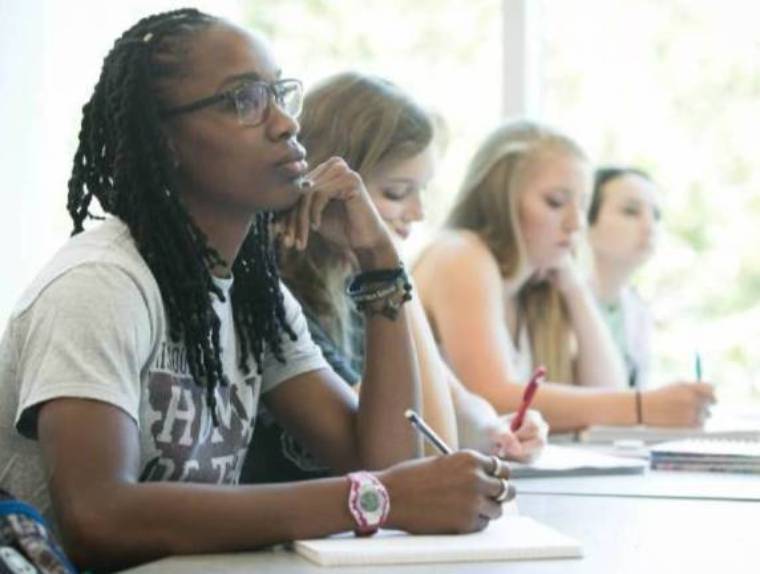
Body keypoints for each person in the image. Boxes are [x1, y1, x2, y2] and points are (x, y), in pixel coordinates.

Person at [0, 10, 512, 572]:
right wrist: (372, 498)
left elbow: (385, 459)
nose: (286, 124)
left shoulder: (252, 294)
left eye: (278, 94)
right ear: (164, 140)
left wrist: (380, 263)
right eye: (243, 99)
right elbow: (98, 518)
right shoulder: (101, 286)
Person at [243, 73, 547, 484]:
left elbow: (456, 403)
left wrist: (496, 431)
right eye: (397, 192)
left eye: (422, 191)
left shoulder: (352, 276)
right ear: (329, 187)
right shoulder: (281, 293)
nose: (418, 213)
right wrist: (388, 266)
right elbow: (424, 446)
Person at [413, 120, 715, 433]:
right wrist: (643, 406)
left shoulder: (534, 288)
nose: (575, 224)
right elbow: (493, 397)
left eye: (583, 206)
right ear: (499, 201)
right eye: (555, 202)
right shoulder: (461, 255)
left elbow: (608, 389)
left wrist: (575, 292)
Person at [588, 167, 661, 389]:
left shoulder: (638, 310)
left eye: (656, 215)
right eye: (630, 211)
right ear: (584, 221)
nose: (649, 227)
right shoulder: (549, 303)